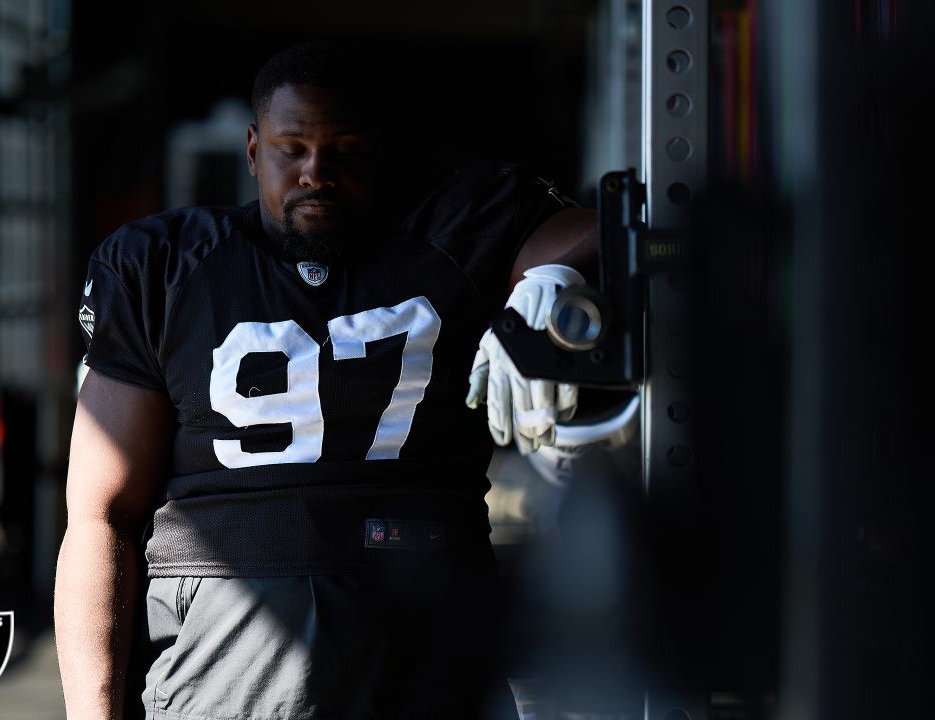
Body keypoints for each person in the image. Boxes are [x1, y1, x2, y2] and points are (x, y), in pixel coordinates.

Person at [54, 39, 597, 720]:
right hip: (220, 634)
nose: (318, 172)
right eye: (294, 149)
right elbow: (101, 515)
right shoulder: (161, 266)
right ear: (254, 150)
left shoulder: (451, 228)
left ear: (380, 149)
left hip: (418, 603)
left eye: (343, 149)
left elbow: (596, 232)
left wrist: (551, 279)